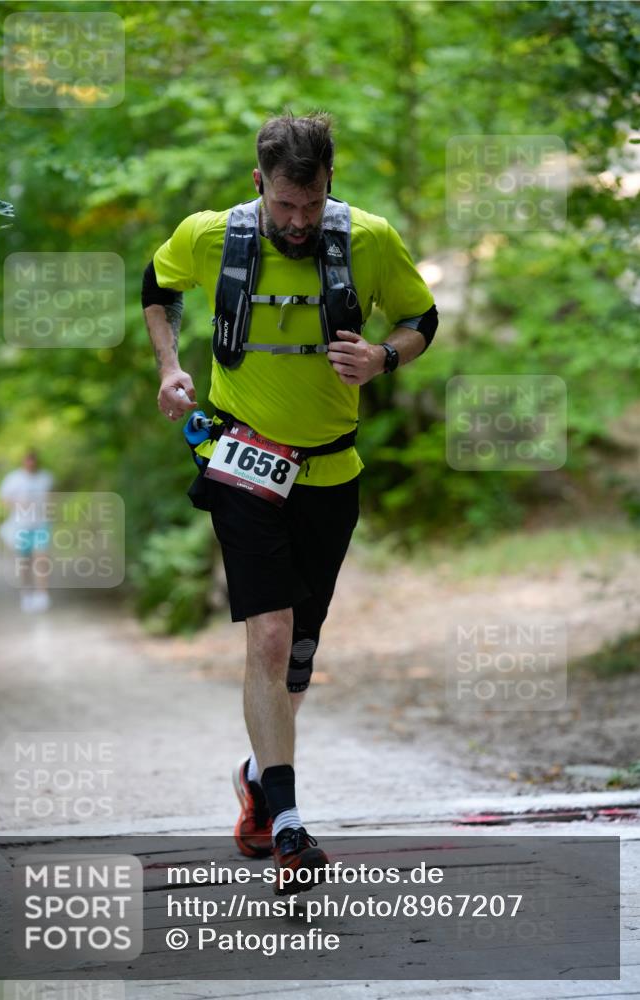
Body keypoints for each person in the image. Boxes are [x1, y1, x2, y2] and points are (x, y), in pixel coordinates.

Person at [142, 112, 438, 894]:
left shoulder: (369, 239)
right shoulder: (212, 235)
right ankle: (290, 824)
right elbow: (158, 284)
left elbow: (421, 319)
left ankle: (255, 780)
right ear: (258, 186)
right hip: (242, 459)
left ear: (328, 187)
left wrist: (382, 357)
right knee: (267, 639)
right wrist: (170, 367)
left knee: (298, 657)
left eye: (309, 208)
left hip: (330, 472)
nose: (297, 223)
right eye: (283, 207)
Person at [0, 449, 54, 613]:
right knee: (24, 562)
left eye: (33, 460)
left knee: (41, 558)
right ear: (23, 461)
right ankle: (27, 593)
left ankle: (42, 594)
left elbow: (51, 497)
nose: (30, 463)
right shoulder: (13, 479)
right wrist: (18, 503)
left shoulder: (45, 478)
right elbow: (3, 500)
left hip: (41, 524)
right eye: (27, 460)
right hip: (20, 526)